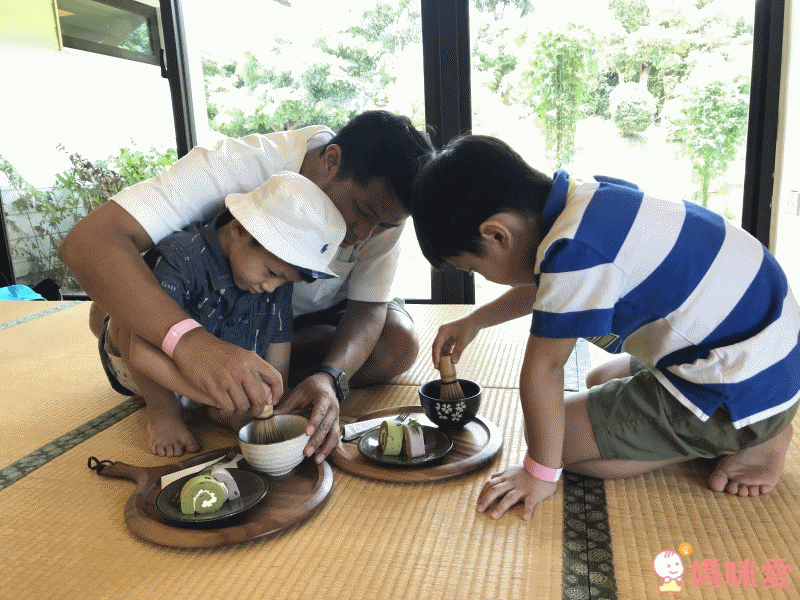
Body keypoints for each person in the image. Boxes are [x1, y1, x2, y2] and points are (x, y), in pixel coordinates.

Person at [411, 134, 799, 520]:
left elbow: (544, 368)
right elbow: (551, 291)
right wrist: (476, 320)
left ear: (497, 234)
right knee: (599, 379)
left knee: (561, 446)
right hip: (764, 353)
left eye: (472, 268)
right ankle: (751, 422)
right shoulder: (584, 203)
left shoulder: (575, 254)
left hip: (737, 385)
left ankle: (748, 435)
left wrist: (540, 472)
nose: (481, 277)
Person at [60, 111, 433, 462]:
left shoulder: (382, 210)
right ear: (331, 160)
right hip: (210, 310)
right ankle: (206, 374)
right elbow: (89, 243)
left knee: (396, 347)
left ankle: (250, 382)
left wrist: (330, 378)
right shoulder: (236, 166)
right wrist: (192, 344)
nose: (365, 235)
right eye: (364, 214)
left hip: (282, 316)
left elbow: (368, 306)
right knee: (126, 312)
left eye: (386, 226)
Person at [100, 172, 346, 457]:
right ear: (239, 229)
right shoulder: (181, 255)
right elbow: (141, 352)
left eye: (284, 281)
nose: (271, 287)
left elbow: (279, 343)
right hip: (142, 363)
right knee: (126, 317)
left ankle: (212, 409)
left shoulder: (275, 281)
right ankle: (162, 411)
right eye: (270, 273)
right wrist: (211, 395)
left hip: (214, 374)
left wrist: (274, 398)